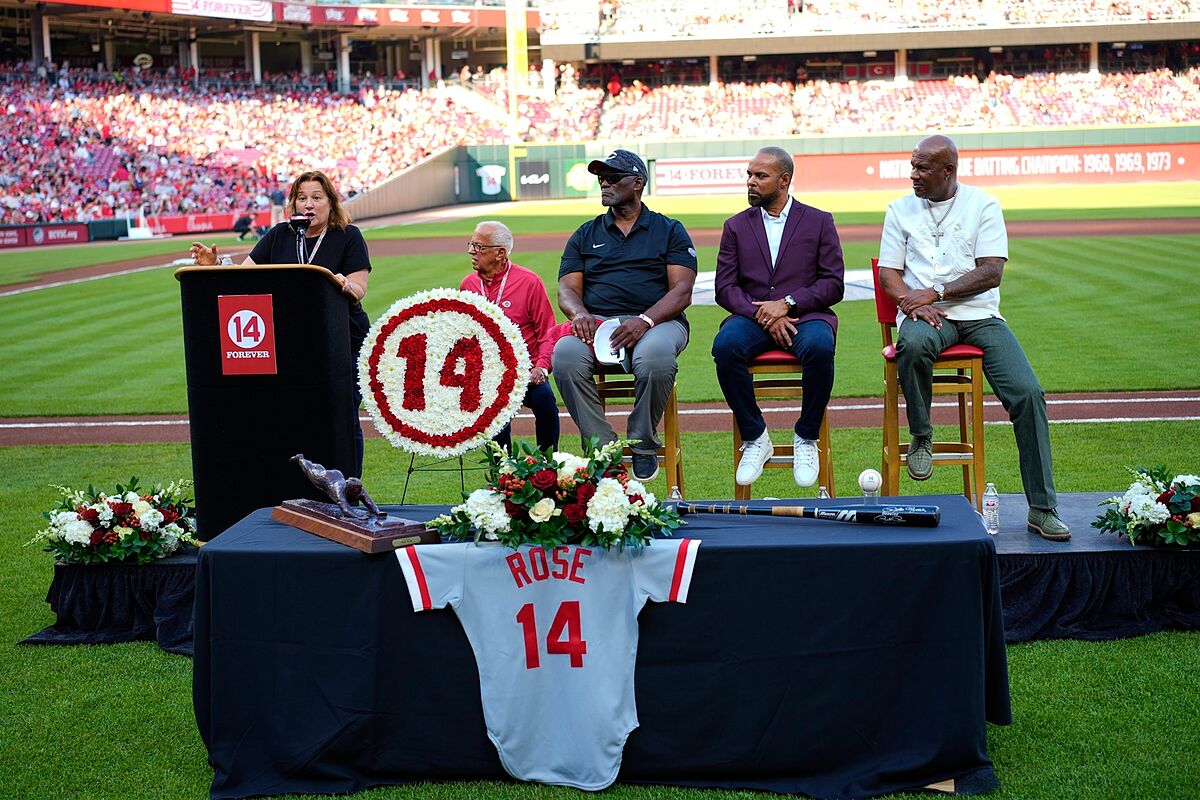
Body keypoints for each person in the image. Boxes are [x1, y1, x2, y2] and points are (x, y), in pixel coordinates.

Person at [877, 134, 1070, 541]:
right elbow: (888, 273)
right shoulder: (899, 209)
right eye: (912, 166)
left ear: (948, 170)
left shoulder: (983, 205)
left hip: (980, 316)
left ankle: (1042, 507)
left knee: (1028, 393)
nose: (913, 174)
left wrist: (937, 291)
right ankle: (922, 435)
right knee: (910, 344)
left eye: (922, 168)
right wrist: (913, 305)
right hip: (929, 318)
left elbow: (991, 272)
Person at [190, 170, 371, 477]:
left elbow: (359, 288)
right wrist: (216, 266)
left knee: (343, 418)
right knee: (296, 416)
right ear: (292, 204)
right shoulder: (279, 235)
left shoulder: (348, 236)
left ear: (331, 203)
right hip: (292, 346)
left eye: (316, 198)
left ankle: (349, 485)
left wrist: (341, 283)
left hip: (343, 343)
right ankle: (302, 488)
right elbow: (245, 276)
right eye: (302, 198)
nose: (309, 205)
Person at [553, 149, 697, 482]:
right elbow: (567, 290)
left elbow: (681, 291)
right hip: (600, 323)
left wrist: (645, 321)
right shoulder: (585, 234)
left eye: (613, 177)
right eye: (601, 178)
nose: (604, 183)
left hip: (658, 321)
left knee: (657, 358)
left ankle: (643, 443)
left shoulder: (669, 230)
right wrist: (580, 314)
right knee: (565, 357)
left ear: (638, 183)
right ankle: (603, 448)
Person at [713, 146, 845, 488]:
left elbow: (833, 284)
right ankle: (756, 437)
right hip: (752, 317)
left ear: (784, 180)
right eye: (749, 175)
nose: (751, 182)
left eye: (761, 176)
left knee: (819, 347)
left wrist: (786, 304)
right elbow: (725, 288)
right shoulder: (735, 226)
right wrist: (764, 312)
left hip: (806, 316)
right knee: (725, 347)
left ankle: (806, 436)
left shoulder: (819, 221)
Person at [458, 221, 560, 454]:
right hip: (490, 376)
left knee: (545, 401)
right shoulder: (468, 285)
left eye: (479, 247)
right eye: (471, 245)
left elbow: (547, 332)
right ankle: (502, 474)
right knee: (495, 416)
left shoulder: (529, 282)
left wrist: (542, 368)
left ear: (500, 253)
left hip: (526, 372)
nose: (472, 251)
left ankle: (547, 464)